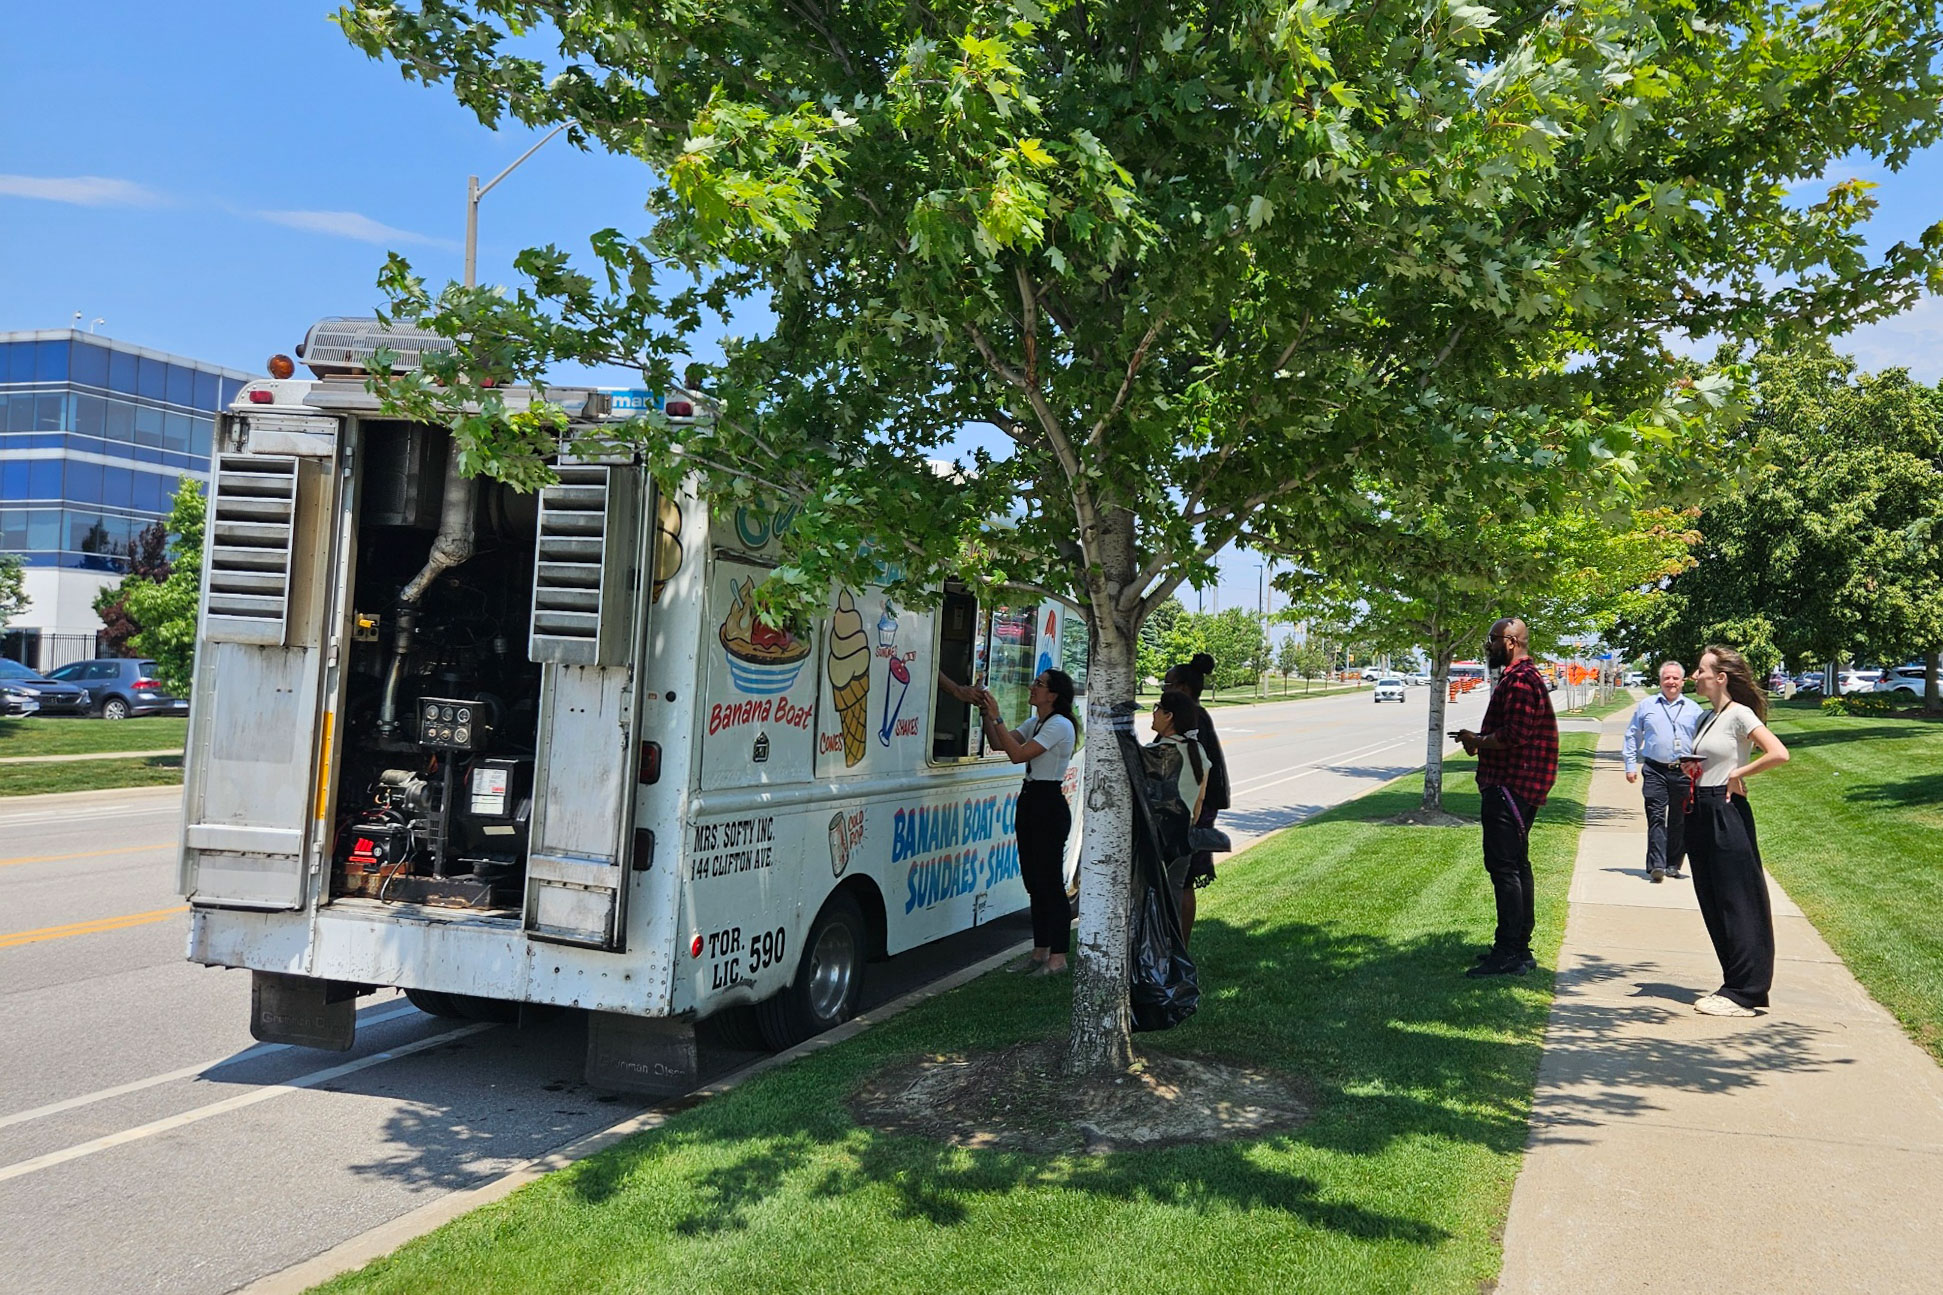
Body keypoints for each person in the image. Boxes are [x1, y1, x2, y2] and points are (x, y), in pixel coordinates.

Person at [1682, 645, 1790, 1017]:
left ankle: (1747, 991)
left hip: (1727, 812)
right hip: (1700, 808)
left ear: (1720, 677)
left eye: (1700, 670)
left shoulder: (1740, 715)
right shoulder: (1703, 717)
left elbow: (1778, 752)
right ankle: (1733, 984)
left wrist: (1737, 775)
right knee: (1712, 898)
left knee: (1738, 899)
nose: (1694, 676)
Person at [1453, 618, 1559, 977]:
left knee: (1504, 868)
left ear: (1511, 642)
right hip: (1515, 783)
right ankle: (1516, 946)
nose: (1489, 646)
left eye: (1493, 639)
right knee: (1515, 865)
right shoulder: (1521, 678)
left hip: (1511, 786)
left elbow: (1515, 735)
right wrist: (1478, 740)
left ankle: (1511, 952)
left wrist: (1477, 741)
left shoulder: (1519, 681)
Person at [978, 670, 1079, 975]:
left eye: (1040, 684)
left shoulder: (1060, 725)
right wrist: (986, 712)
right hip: (1031, 799)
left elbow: (1018, 755)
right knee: (1034, 882)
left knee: (1050, 882)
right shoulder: (1036, 722)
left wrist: (997, 716)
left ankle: (1058, 957)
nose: (1032, 687)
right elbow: (1000, 744)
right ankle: (1040, 951)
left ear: (1054, 695)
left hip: (1048, 802)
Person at [1163, 653, 1229, 945]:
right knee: (1178, 880)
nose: (1164, 690)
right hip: (1186, 808)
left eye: (1168, 684)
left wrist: (1191, 815)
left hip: (1193, 809)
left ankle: (1180, 947)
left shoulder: (1192, 718)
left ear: (1184, 689)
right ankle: (1174, 946)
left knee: (1183, 880)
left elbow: (1197, 773)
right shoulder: (1191, 715)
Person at [1623, 660, 1704, 882]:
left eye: (1675, 678)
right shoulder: (1646, 706)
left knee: (1679, 820)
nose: (1671, 682)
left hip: (1683, 771)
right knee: (1656, 816)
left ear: (1682, 681)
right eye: (1667, 678)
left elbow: (1702, 741)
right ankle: (1656, 865)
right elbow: (1632, 735)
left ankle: (1672, 864)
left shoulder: (1693, 709)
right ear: (1660, 681)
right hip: (1654, 769)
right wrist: (1630, 765)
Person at [1147, 688, 1210, 909]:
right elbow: (1199, 801)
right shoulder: (1198, 751)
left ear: (1169, 716)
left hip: (1156, 840)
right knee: (1173, 896)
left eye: (1157, 709)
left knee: (1150, 900)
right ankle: (1171, 943)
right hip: (1184, 838)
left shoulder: (1155, 752)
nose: (1153, 714)